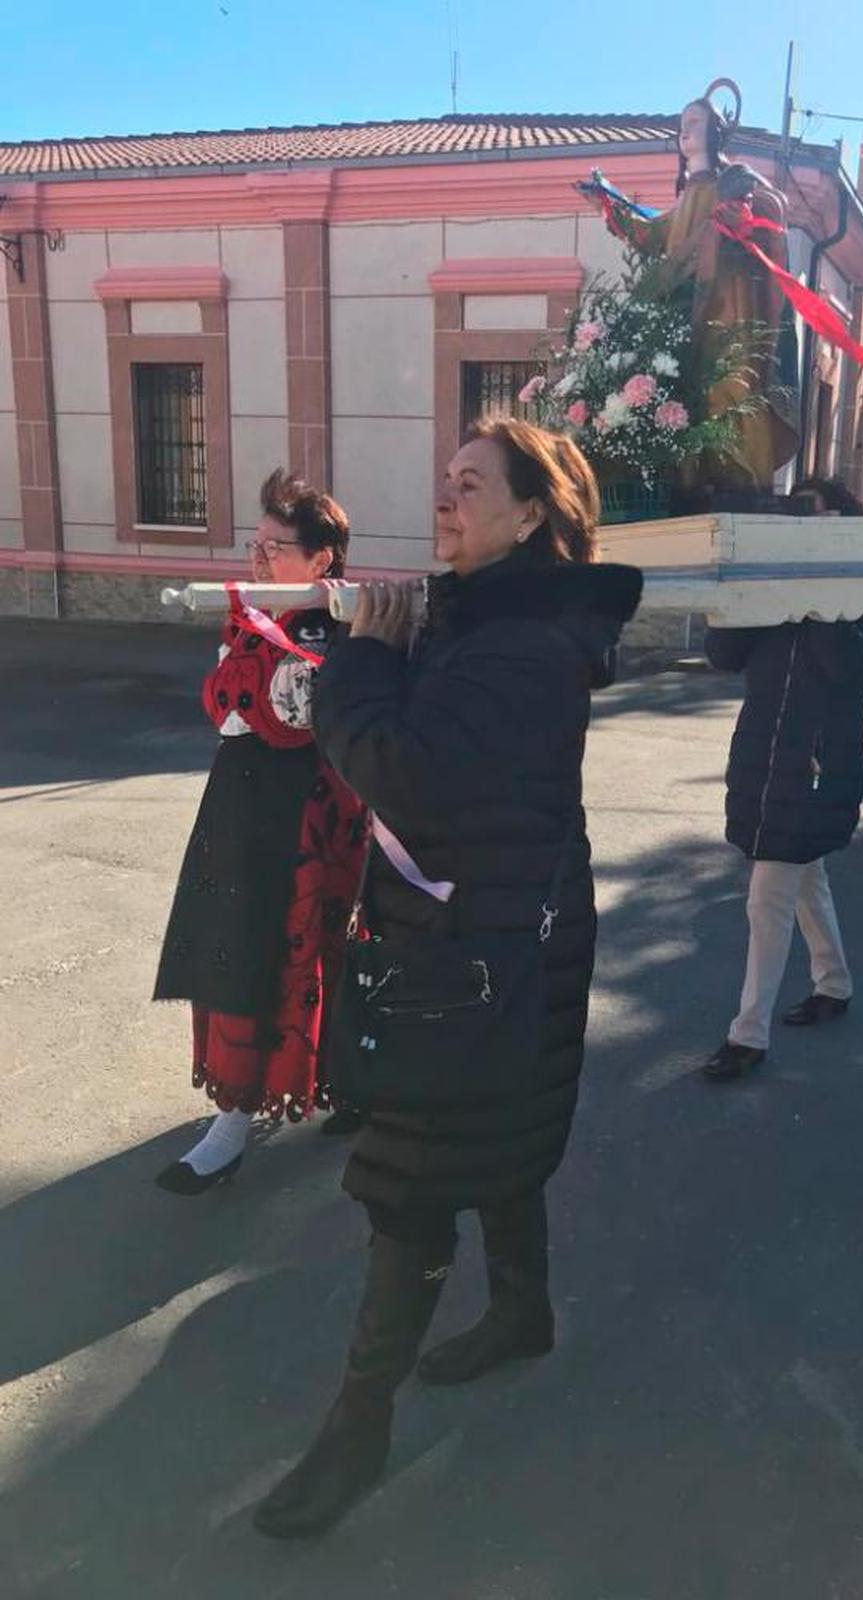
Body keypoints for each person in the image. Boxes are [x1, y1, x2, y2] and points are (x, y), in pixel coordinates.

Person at [252, 421, 642, 1540]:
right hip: (497, 937)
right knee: (497, 1130)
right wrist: (396, 632)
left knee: (413, 1183)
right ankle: (522, 1312)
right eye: (447, 479)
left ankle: (356, 1432)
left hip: (482, 948)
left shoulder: (519, 644)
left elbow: (408, 774)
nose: (446, 497)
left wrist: (363, 661)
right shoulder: (493, 615)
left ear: (532, 515)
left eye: (472, 485)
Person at [153, 471, 367, 1194]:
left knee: (314, 949)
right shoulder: (255, 612)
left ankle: (338, 1082)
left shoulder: (342, 622)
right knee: (237, 948)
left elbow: (281, 718)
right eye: (258, 542)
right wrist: (244, 680)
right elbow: (225, 706)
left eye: (276, 547)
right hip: (244, 808)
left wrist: (247, 679)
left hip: (309, 816)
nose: (258, 558)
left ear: (320, 561)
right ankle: (235, 1112)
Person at [701, 476, 863, 1080]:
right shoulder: (769, 587)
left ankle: (747, 1034)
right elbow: (723, 656)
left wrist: (815, 590)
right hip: (762, 753)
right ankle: (833, 984)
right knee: (804, 877)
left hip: (818, 762)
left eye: (809, 518)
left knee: (769, 896)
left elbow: (845, 662)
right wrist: (744, 593)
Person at [582, 81, 798, 492]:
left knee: (729, 386)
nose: (686, 129)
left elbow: (767, 215)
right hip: (687, 312)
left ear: (715, 131)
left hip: (728, 305)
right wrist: (608, 202)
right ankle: (697, 475)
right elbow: (654, 235)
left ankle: (739, 478)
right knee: (691, 392)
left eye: (695, 122)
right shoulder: (687, 199)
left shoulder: (734, 179)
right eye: (682, 123)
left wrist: (735, 220)